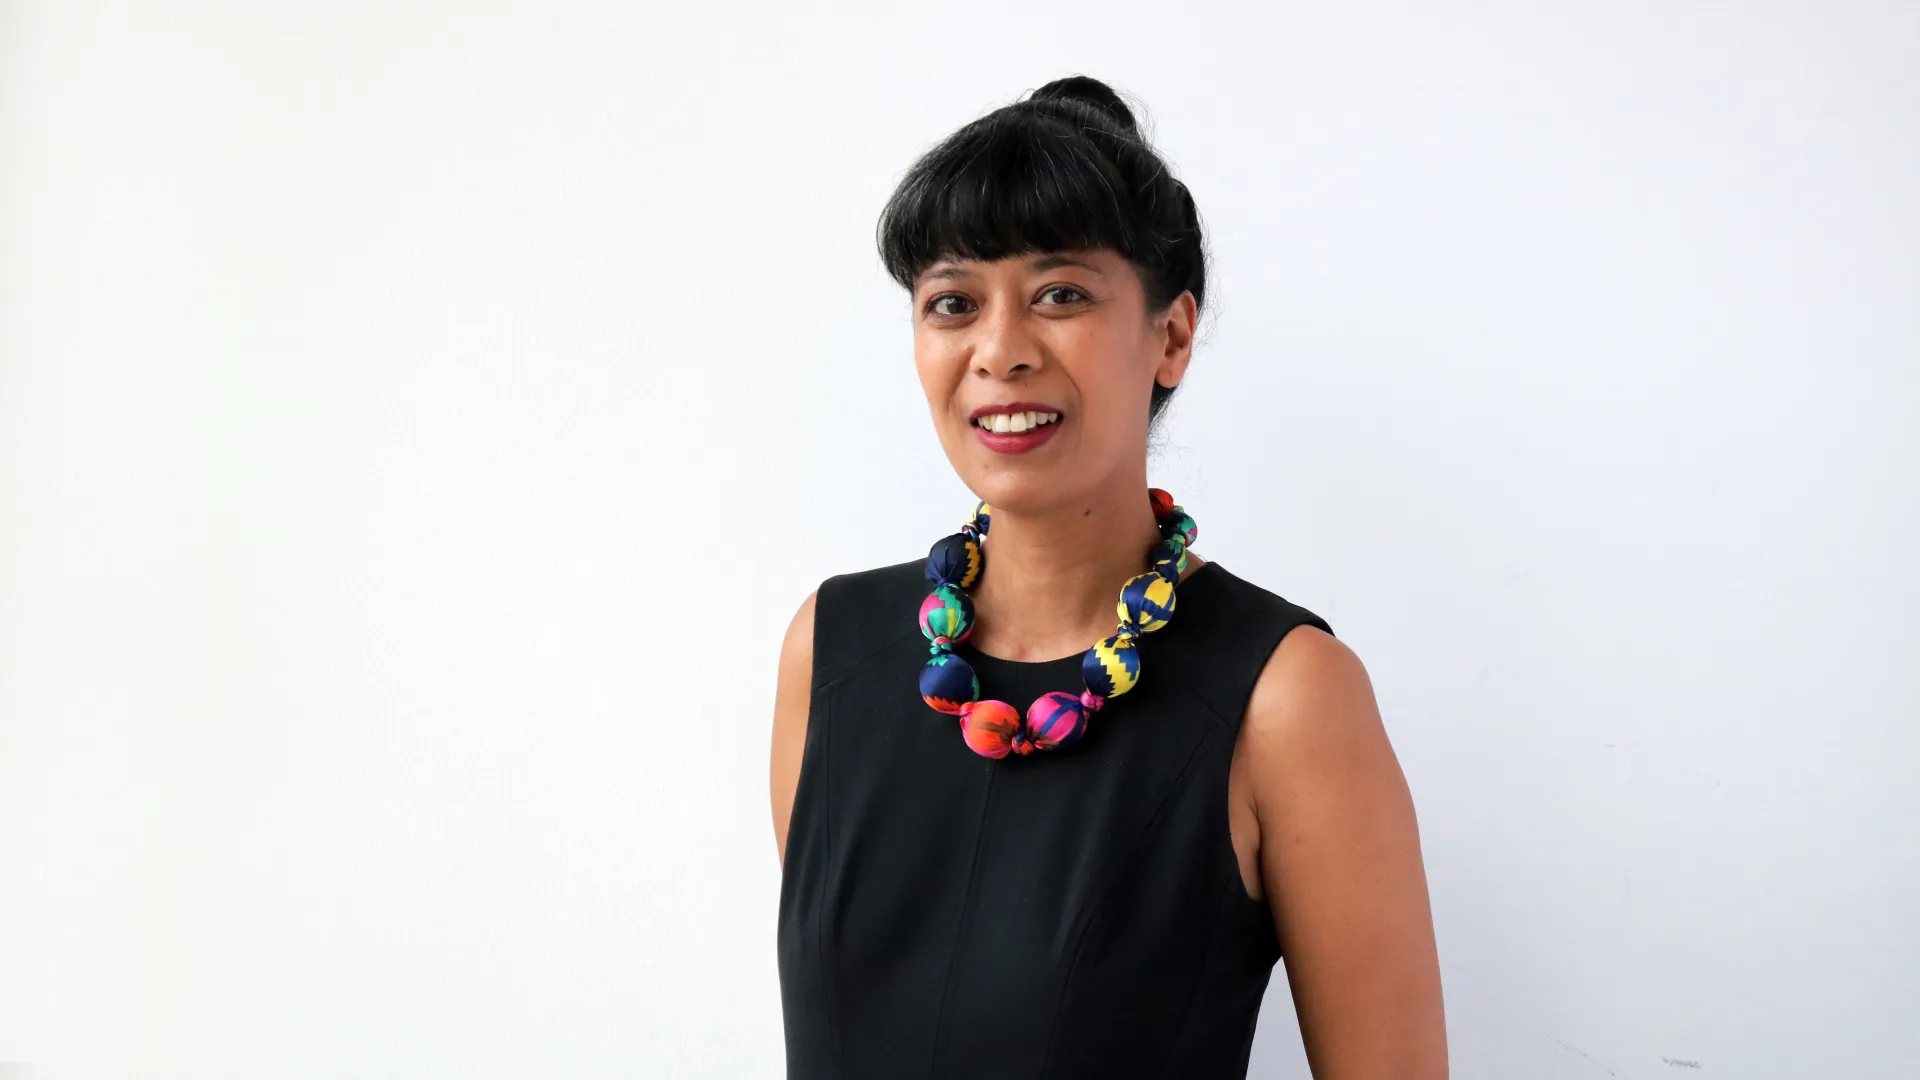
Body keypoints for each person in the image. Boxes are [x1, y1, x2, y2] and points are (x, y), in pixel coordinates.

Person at [769, 75, 1446, 1079]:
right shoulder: (832, 650)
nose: (1000, 352)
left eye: (1061, 295)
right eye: (953, 302)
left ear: (1170, 336)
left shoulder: (1286, 695)